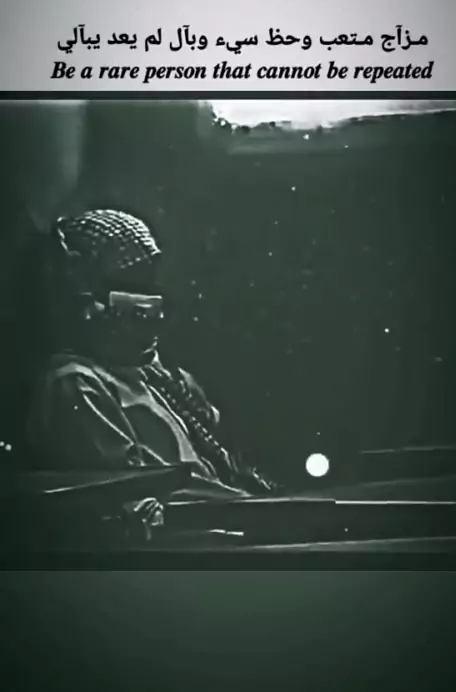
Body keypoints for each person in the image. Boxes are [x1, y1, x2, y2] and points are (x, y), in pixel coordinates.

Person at [27, 209, 280, 531]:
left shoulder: (162, 377)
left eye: (147, 284)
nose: (148, 302)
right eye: (128, 285)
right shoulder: (76, 384)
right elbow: (131, 495)